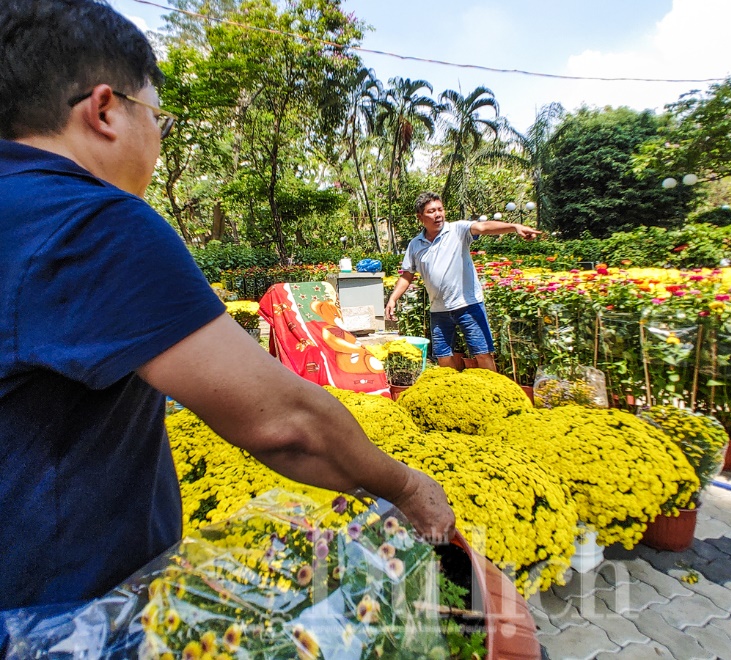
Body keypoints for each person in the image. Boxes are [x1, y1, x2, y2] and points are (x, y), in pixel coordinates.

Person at [0, 0, 453, 620]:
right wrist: (406, 486)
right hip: (59, 617)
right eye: (156, 114)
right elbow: (285, 422)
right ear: (104, 110)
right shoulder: (91, 223)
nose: (158, 136)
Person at [385, 192, 541, 371]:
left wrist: (514, 226)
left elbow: (483, 227)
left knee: (482, 353)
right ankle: (454, 392)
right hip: (439, 309)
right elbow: (407, 275)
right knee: (443, 357)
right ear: (420, 217)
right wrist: (393, 298)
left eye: (440, 209)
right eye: (431, 211)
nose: (438, 214)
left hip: (468, 304)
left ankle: (494, 393)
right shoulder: (415, 244)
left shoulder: (457, 230)